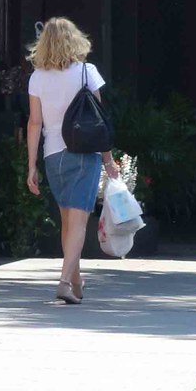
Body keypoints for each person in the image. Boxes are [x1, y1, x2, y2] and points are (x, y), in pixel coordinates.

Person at [26, 17, 119, 304]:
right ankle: (64, 282)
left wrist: (31, 166)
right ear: (74, 39)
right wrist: (108, 160)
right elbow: (98, 122)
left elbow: (34, 123)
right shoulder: (86, 73)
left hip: (53, 155)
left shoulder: (37, 77)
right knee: (78, 222)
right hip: (83, 153)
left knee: (68, 221)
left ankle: (77, 281)